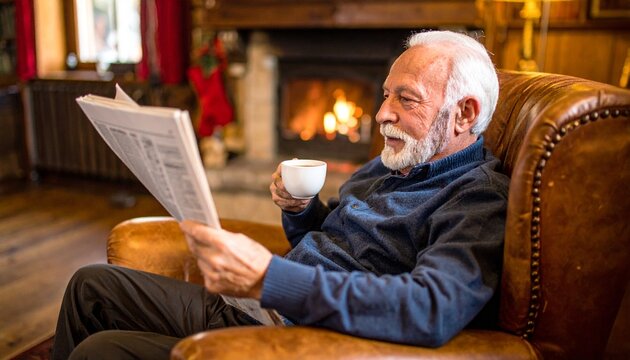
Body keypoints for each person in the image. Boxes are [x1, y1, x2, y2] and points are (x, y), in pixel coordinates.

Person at [52, 30, 509, 359]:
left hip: (296, 336)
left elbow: (430, 308)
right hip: (260, 304)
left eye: (405, 99)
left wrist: (269, 279)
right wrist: (301, 210)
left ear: (464, 114)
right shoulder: (395, 159)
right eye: (385, 94)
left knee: (101, 351)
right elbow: (336, 237)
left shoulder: (477, 197)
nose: (382, 114)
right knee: (89, 285)